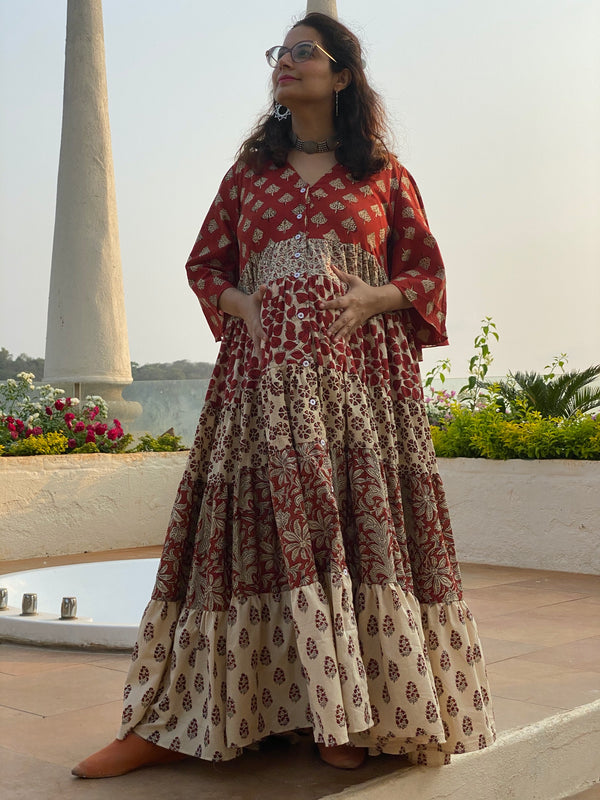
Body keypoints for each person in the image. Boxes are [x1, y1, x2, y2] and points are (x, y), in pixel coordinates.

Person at [72, 11, 495, 779]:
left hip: (356, 393)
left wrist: (374, 298)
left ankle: (345, 713)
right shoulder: (250, 174)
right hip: (259, 388)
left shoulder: (384, 174)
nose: (286, 61)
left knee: (353, 535)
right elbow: (207, 266)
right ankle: (170, 718)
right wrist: (244, 305)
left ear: (342, 76)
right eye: (280, 51)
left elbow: (425, 275)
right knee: (233, 543)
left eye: (305, 52)